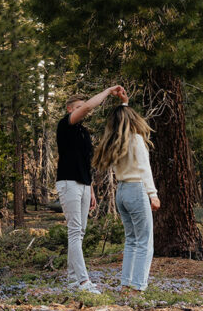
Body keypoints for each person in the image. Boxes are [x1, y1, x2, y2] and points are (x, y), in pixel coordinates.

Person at [56, 84, 127, 294]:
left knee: (80, 232)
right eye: (79, 106)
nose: (84, 109)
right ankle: (84, 281)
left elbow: (86, 162)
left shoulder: (83, 132)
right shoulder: (65, 125)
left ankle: (72, 280)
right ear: (70, 109)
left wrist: (91, 189)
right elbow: (87, 107)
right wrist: (107, 92)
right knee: (75, 231)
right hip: (68, 183)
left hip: (84, 185)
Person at [93, 103, 160, 292]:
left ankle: (126, 285)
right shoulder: (136, 140)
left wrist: (124, 103)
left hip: (121, 191)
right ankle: (138, 287)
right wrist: (152, 194)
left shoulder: (115, 142)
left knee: (131, 240)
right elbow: (144, 169)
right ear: (132, 119)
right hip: (137, 189)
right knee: (144, 241)